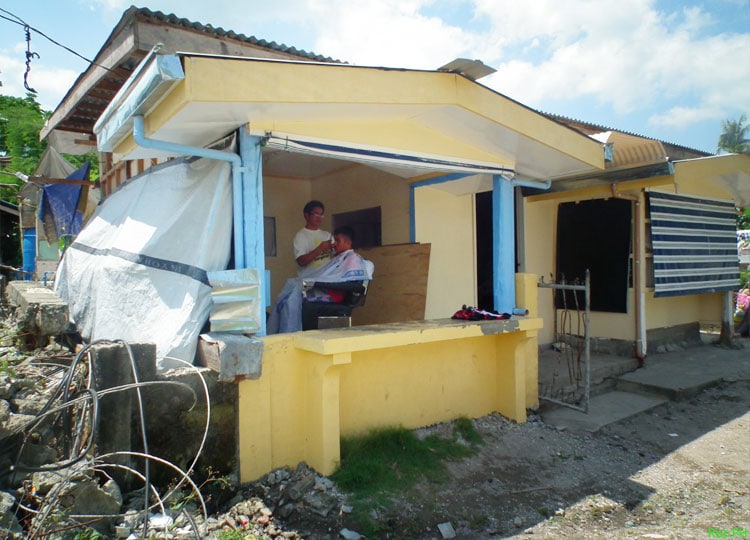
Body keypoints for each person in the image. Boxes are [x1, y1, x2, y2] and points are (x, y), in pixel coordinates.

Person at [267, 225, 374, 334]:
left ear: (348, 242)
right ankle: (282, 333)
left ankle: (289, 333)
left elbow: (346, 281)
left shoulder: (353, 259)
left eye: (338, 241)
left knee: (293, 298)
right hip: (327, 290)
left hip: (335, 294)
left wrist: (315, 283)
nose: (334, 244)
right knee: (291, 287)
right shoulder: (339, 258)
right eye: (334, 240)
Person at [293, 200, 334, 277]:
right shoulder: (301, 236)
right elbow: (301, 262)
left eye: (321, 215)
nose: (319, 218)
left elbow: (337, 254)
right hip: (309, 282)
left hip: (326, 280)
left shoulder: (327, 235)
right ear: (306, 216)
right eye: (316, 214)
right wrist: (321, 248)